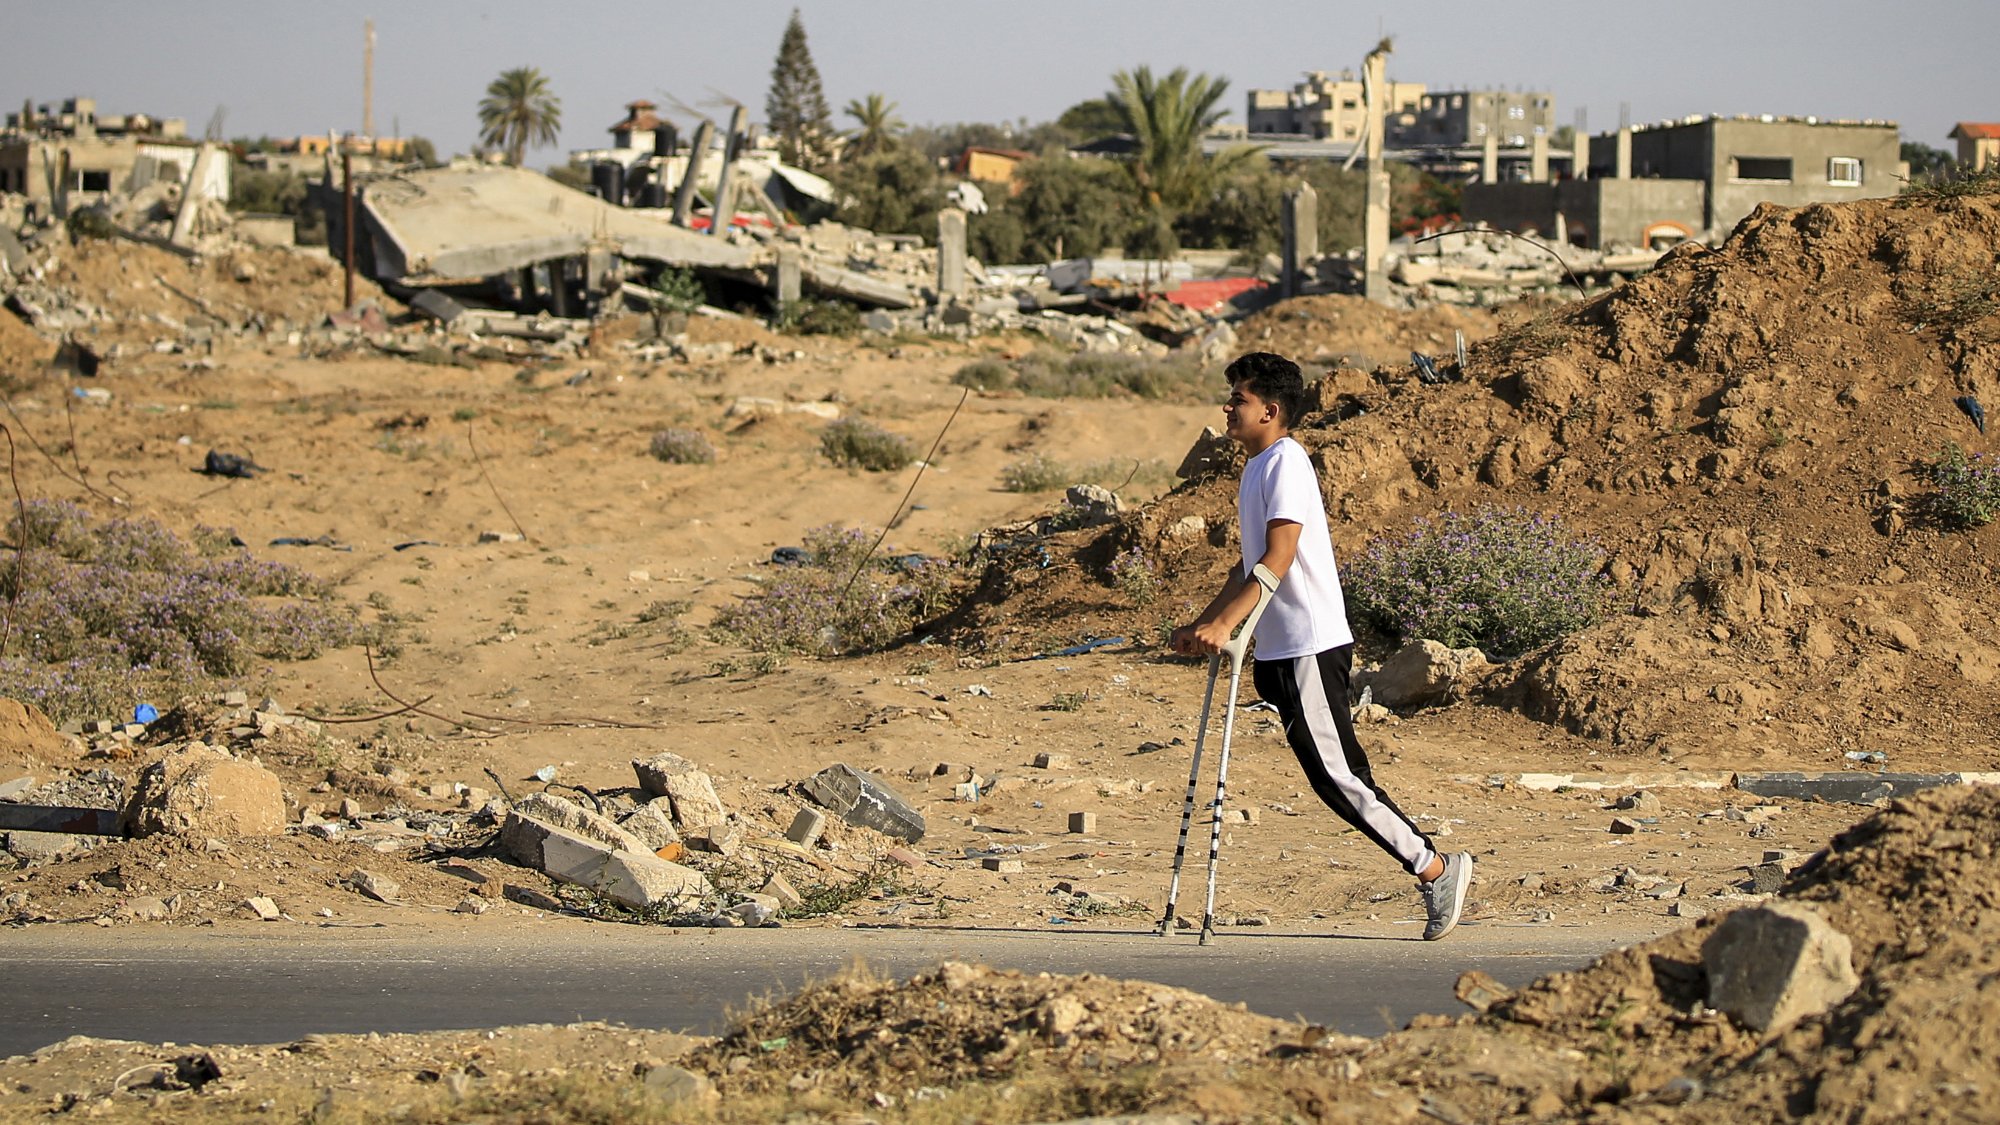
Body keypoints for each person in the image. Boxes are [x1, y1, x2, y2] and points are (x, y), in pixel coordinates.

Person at [1170, 352, 1474, 941]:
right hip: (1280, 648)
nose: (1228, 407)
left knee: (1338, 776)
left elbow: (1278, 559)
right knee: (1328, 775)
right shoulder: (1255, 468)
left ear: (1271, 410)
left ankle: (1436, 867)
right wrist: (1205, 622)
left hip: (1310, 643)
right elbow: (1248, 564)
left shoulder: (1287, 462)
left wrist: (1229, 625)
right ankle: (1432, 865)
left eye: (1239, 399)